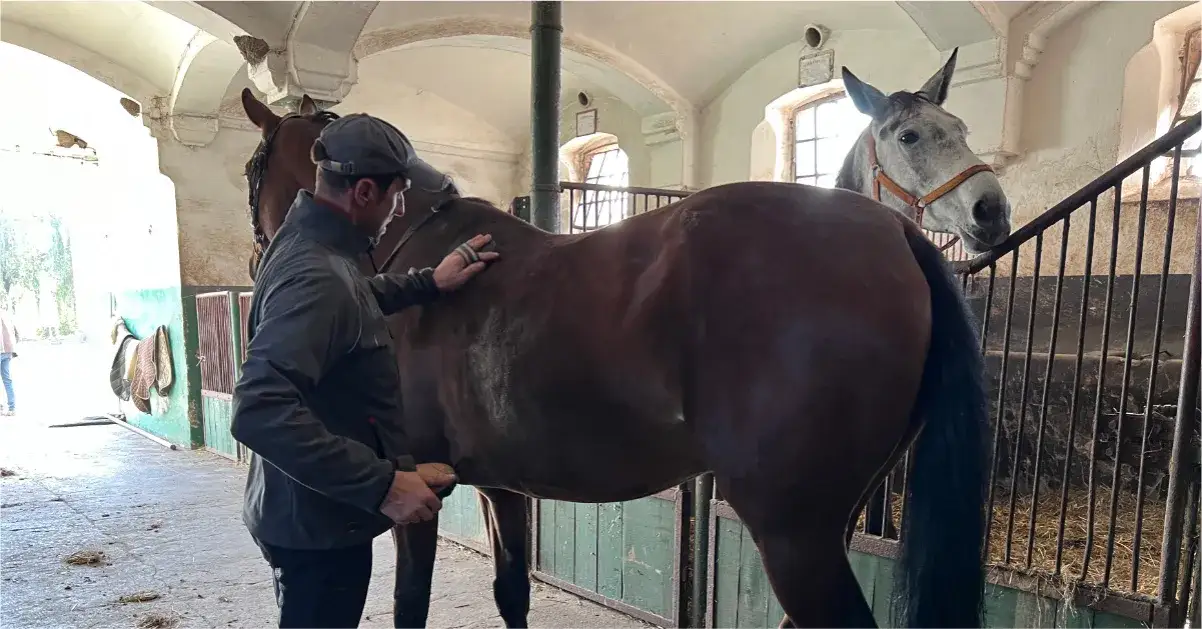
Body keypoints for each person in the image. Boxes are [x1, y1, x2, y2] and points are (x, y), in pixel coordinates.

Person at [230, 112, 500, 628]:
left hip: (306, 510)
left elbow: (350, 300)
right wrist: (382, 485)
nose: (398, 208)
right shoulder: (318, 274)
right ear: (365, 193)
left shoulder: (310, 247)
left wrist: (427, 282)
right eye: (397, 196)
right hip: (317, 527)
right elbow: (257, 410)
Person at [0, 309, 15, 416]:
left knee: (7, 380)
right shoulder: (5, 312)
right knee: (7, 380)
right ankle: (12, 408)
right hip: (8, 350)